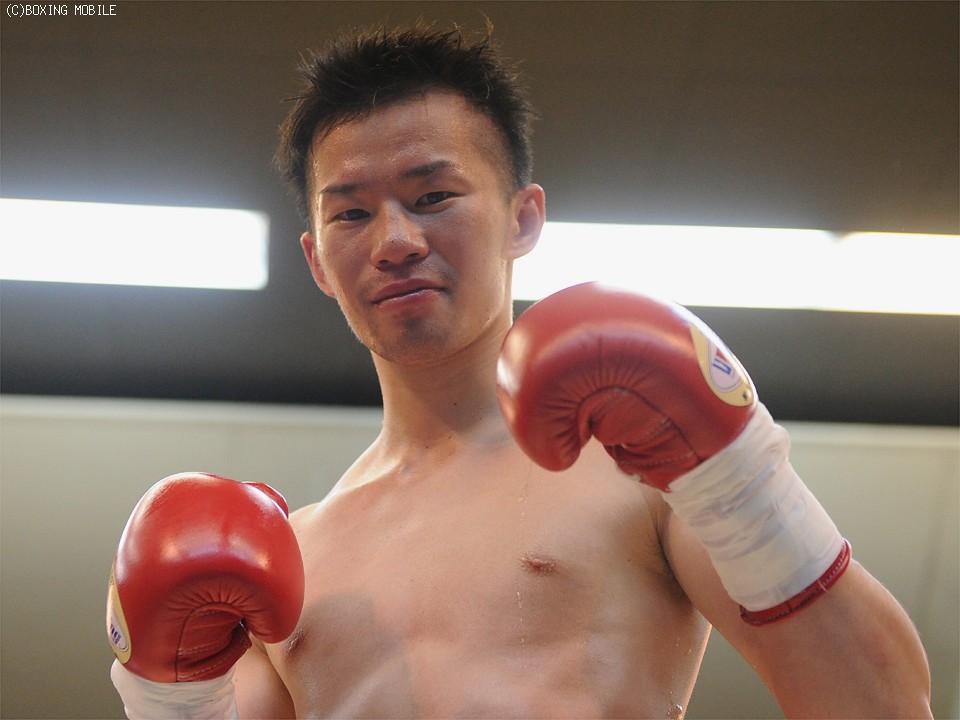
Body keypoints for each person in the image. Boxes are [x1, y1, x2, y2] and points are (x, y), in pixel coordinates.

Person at [107, 23, 933, 719]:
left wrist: (740, 475)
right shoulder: (292, 556)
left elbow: (882, 705)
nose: (395, 241)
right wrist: (166, 699)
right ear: (318, 262)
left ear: (523, 219)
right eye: (351, 212)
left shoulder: (640, 474)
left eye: (433, 197)